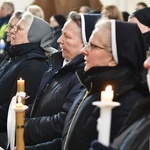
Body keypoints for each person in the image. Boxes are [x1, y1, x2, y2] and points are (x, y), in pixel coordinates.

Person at [26, 18, 148, 150]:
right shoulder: (91, 85)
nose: (84, 50)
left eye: (93, 46)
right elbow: (68, 140)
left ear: (113, 58)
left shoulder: (126, 101)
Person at [23, 12, 100, 149]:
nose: (59, 40)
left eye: (67, 36)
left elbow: (62, 123)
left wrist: (25, 126)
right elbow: (42, 105)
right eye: (62, 33)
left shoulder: (82, 77)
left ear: (86, 44)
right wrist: (21, 113)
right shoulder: (58, 63)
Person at [0, 11, 55, 135]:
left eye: (18, 28)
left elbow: (14, 112)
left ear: (32, 36)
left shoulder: (34, 66)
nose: (12, 31)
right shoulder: (17, 57)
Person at [90, 50, 150, 150]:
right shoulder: (143, 109)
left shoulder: (132, 100)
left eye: (94, 46)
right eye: (149, 54)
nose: (146, 63)